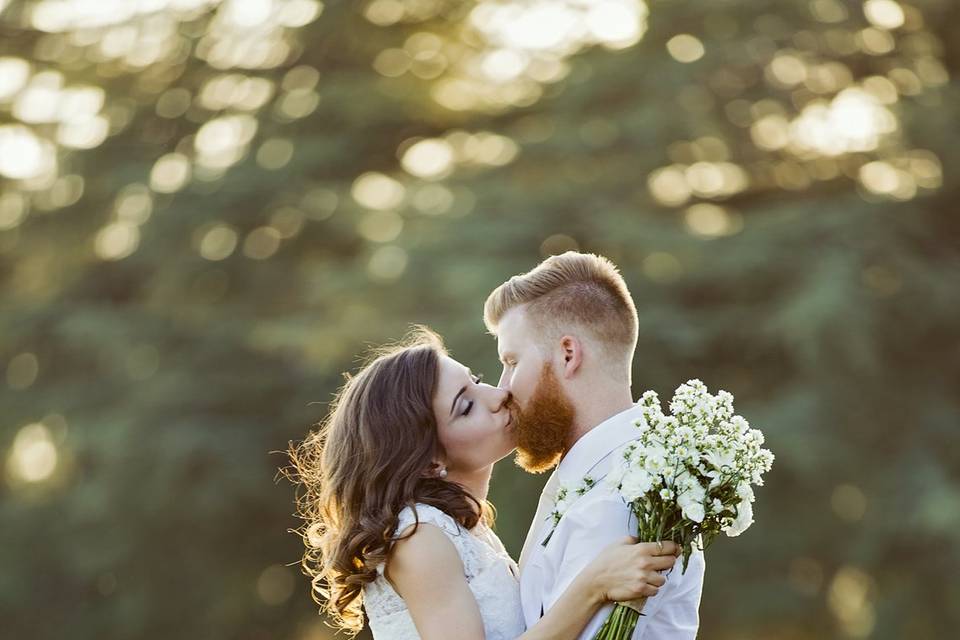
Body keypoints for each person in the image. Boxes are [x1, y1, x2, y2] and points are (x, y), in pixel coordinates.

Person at [288, 327, 680, 639]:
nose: (498, 395)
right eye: (466, 406)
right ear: (429, 461)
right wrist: (594, 585)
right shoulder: (419, 537)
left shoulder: (464, 530)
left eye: (475, 381)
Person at [484, 251, 705, 639]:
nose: (503, 388)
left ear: (568, 354)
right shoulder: (602, 473)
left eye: (513, 362)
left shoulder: (621, 496)